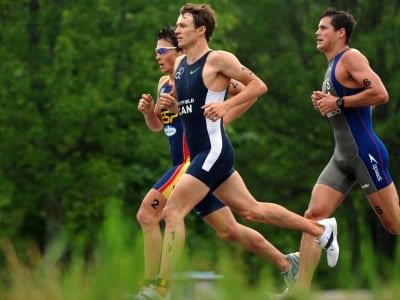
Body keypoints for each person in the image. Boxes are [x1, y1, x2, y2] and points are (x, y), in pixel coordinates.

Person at [140, 4, 339, 300]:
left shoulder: (218, 59)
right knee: (251, 211)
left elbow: (258, 86)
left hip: (213, 151)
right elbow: (189, 104)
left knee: (172, 212)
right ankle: (321, 230)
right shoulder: (180, 68)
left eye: (182, 25)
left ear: (200, 30)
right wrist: (169, 107)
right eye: (177, 25)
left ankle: (159, 290)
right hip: (202, 155)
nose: (177, 29)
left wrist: (225, 107)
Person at [295, 8, 400, 293]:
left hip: (365, 154)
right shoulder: (331, 66)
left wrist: (338, 103)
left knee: (394, 224)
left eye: (323, 28)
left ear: (340, 33)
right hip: (341, 156)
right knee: (313, 216)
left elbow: (381, 94)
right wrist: (327, 103)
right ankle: (299, 290)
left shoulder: (351, 57)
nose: (317, 33)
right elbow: (344, 103)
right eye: (317, 28)